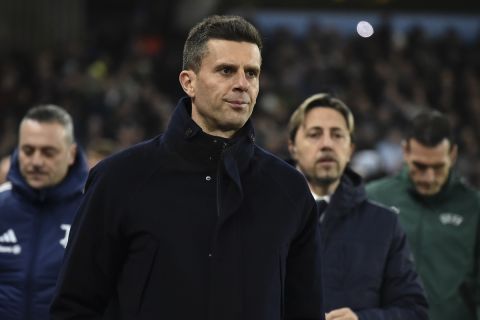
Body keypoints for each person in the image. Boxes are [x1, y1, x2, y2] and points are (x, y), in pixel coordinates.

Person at [50, 15, 324, 320]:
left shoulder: (289, 191)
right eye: (226, 71)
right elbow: (75, 305)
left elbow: (306, 310)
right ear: (188, 82)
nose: (242, 84)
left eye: (252, 73)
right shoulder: (119, 179)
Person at [288, 93, 428, 320]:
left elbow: (414, 311)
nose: (326, 144)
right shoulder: (264, 214)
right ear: (292, 146)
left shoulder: (384, 225)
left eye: (337, 135)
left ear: (350, 149)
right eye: (314, 134)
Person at [367, 110, 480, 320]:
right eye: (420, 166)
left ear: (453, 155)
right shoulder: (374, 198)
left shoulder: (474, 208)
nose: (429, 177)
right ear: (405, 151)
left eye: (438, 168)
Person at [0, 105, 88, 320]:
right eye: (28, 151)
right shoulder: (1, 207)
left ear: (71, 154)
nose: (36, 162)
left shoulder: (91, 211)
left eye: (48, 152)